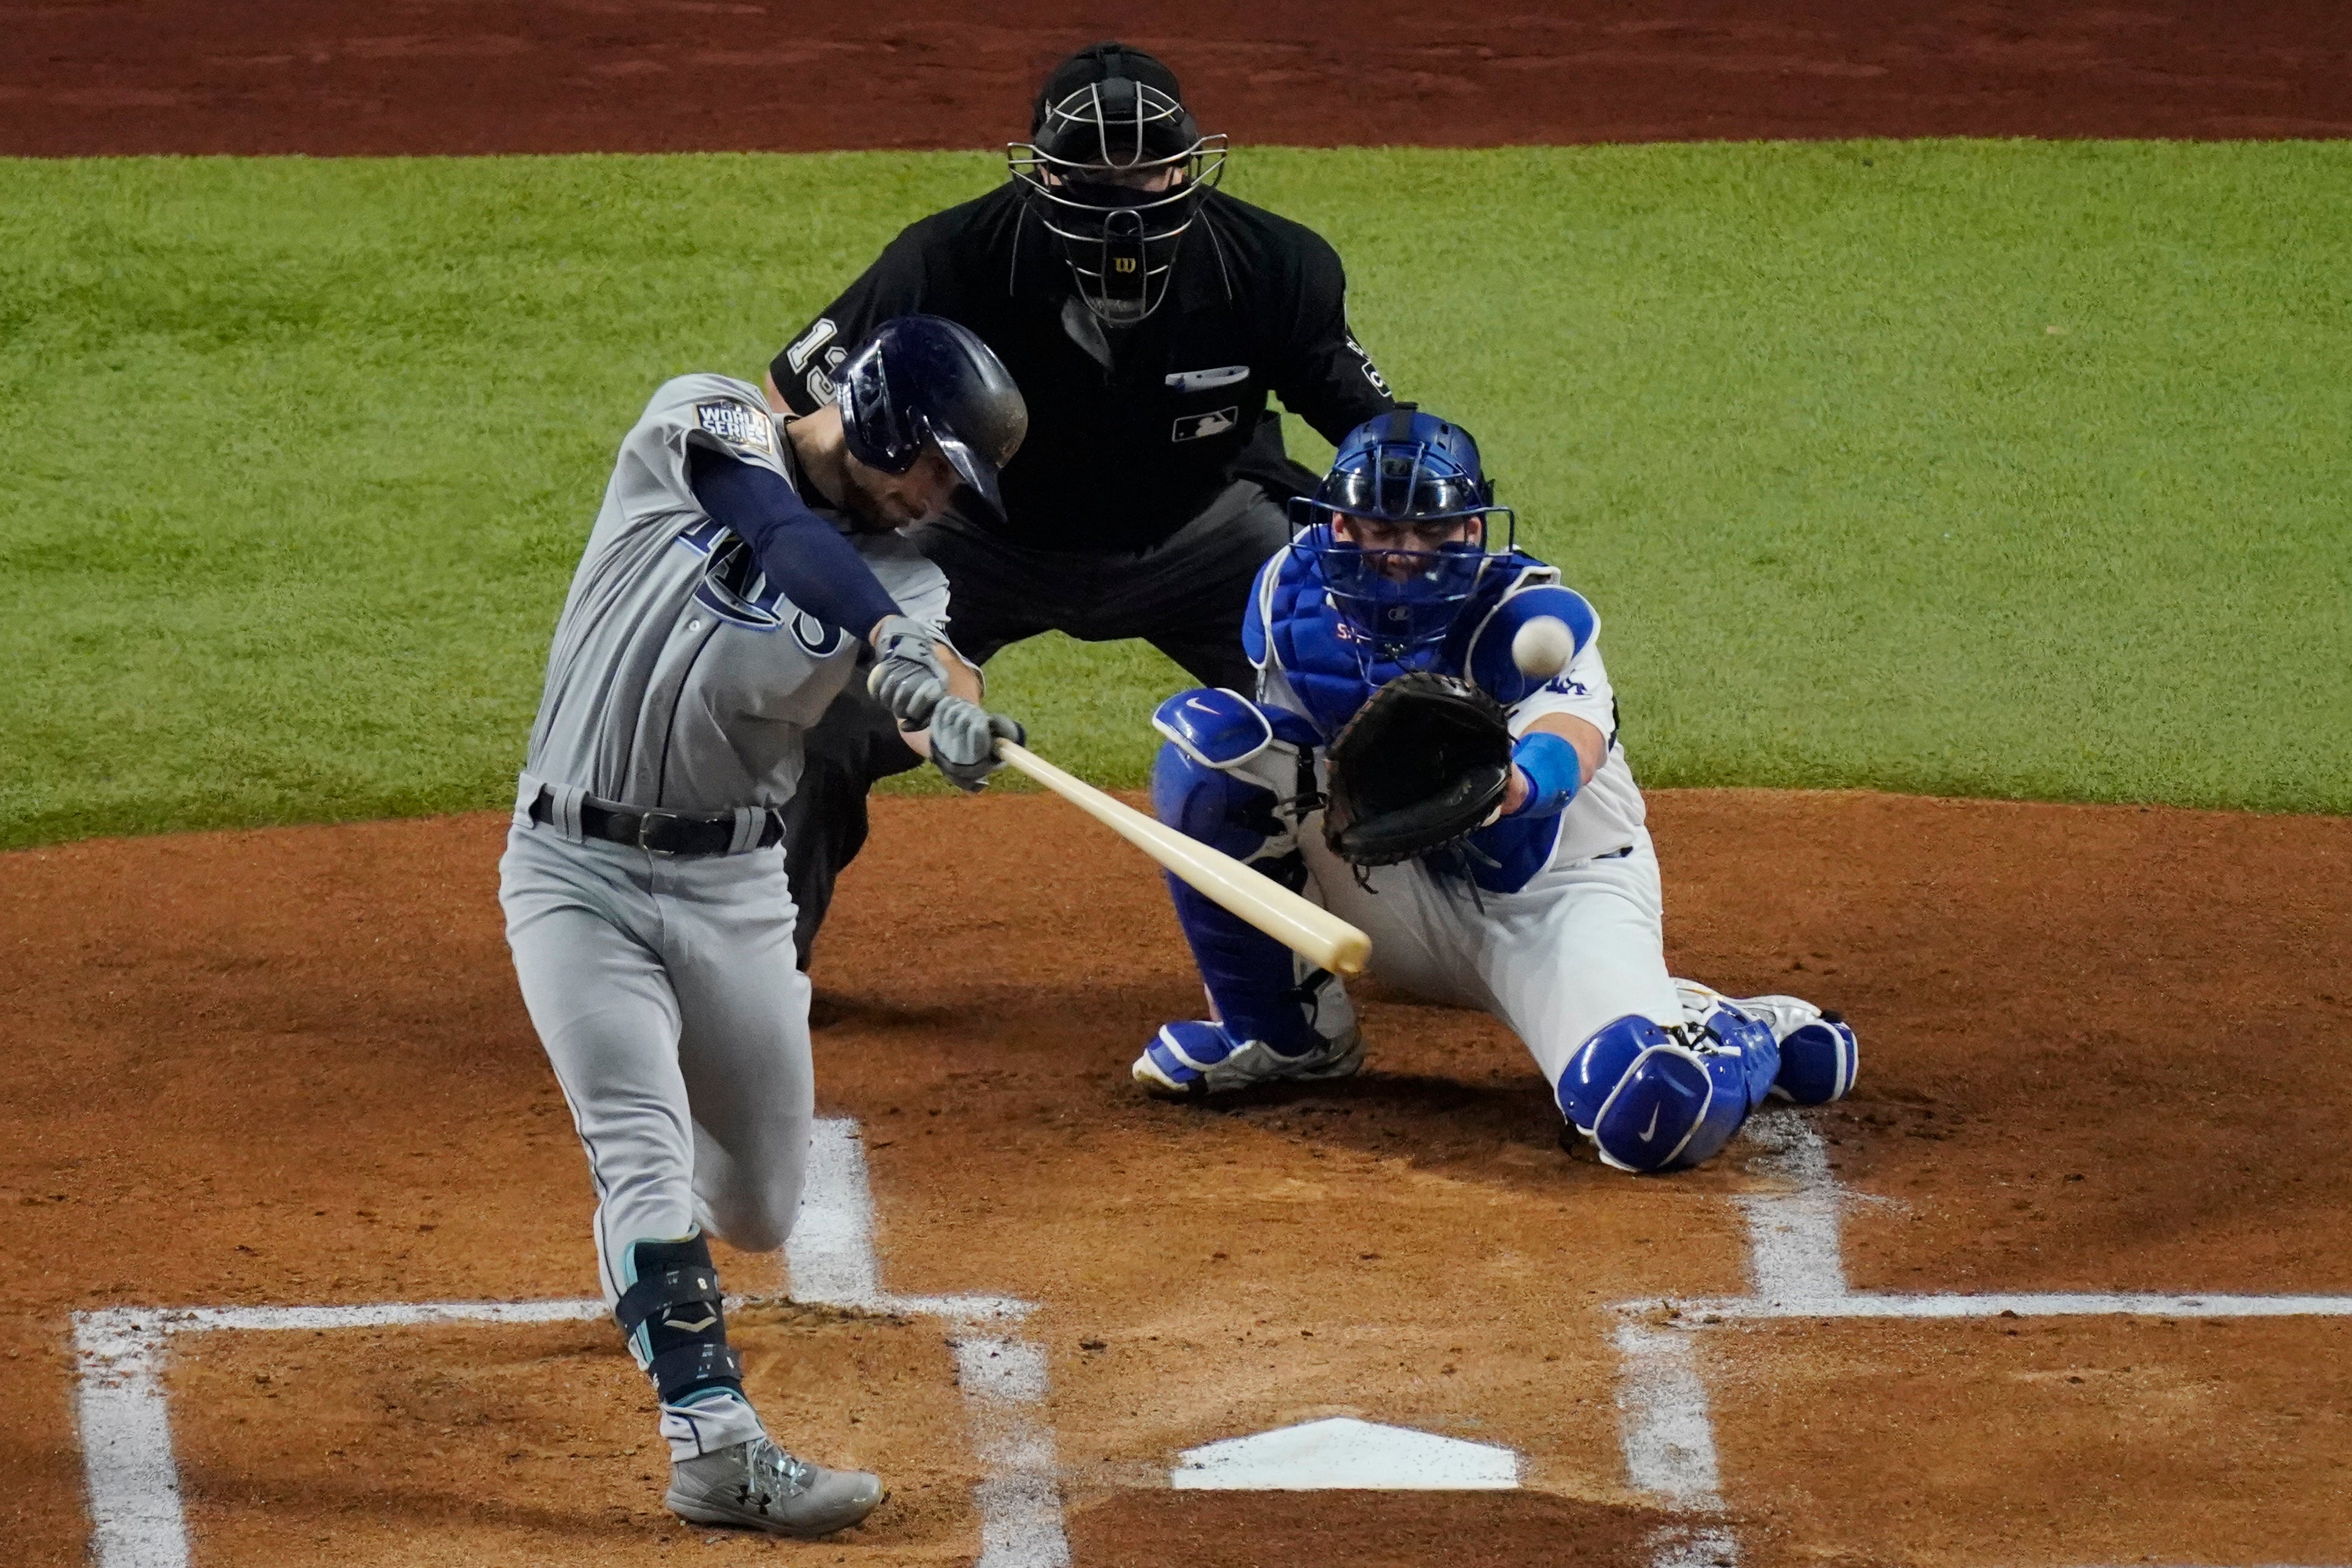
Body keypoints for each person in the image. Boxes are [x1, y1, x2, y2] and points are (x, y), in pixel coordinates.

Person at [498, 316, 1026, 1535]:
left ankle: (652, 1252)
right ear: (886, 416)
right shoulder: (707, 416)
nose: (938, 494)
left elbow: (940, 666)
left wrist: (948, 713)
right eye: (935, 463)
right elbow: (779, 529)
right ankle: (714, 1443)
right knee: (640, 1147)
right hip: (571, 871)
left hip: (736, 895)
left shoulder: (909, 573)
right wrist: (883, 643)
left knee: (762, 1208)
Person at [766, 41, 1396, 972]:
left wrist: (1408, 541)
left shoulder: (1273, 264)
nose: (1124, 198)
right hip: (978, 537)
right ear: (1043, 176)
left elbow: (1377, 432)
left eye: (1148, 169)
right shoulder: (949, 260)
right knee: (820, 714)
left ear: (1189, 166)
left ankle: (1451, 935)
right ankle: (762, 966)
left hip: (1206, 532)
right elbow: (791, 406)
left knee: (1366, 697)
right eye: (1093, 174)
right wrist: (845, 578)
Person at [1132, 408, 1861, 1172]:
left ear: (1474, 533)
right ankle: (1284, 1036)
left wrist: (1515, 784)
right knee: (1215, 755)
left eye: (1428, 534)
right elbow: (1290, 763)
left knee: (1647, 1114)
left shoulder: (1528, 619)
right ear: (1339, 525)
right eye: (1379, 531)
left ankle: (1737, 1035)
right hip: (1393, 885)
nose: (1401, 556)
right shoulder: (1290, 596)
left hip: (1554, 898)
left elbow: (1570, 738)